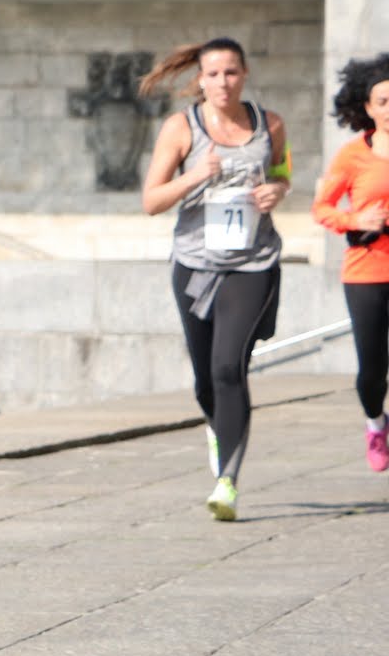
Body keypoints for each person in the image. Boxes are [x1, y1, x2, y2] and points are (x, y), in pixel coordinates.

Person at [138, 37, 290, 521]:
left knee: (229, 367)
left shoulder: (270, 123)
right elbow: (151, 200)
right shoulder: (181, 128)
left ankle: (227, 482)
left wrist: (277, 189)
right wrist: (195, 175)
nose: (223, 82)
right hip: (194, 264)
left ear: (244, 75)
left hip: (253, 262)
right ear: (200, 80)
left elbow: (282, 172)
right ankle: (215, 424)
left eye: (231, 73)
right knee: (205, 379)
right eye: (213, 74)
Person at [312, 53, 389, 472]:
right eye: (383, 101)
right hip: (367, 270)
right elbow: (322, 208)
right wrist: (356, 220)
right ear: (367, 108)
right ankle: (375, 421)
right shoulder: (352, 156)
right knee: (373, 368)